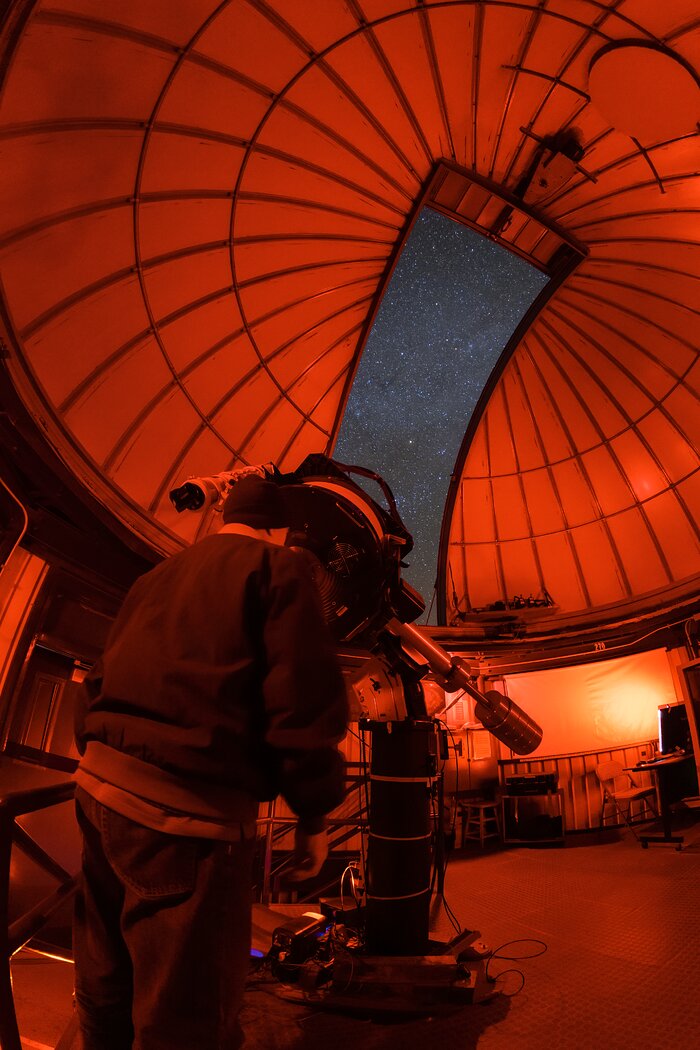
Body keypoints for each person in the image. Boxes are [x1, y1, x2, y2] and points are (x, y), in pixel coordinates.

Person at [73, 475, 348, 1050]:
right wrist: (316, 815)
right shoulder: (280, 570)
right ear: (284, 535)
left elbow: (100, 676)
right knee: (187, 1014)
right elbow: (301, 699)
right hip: (185, 822)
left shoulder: (155, 577)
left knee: (106, 984)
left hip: (97, 793)